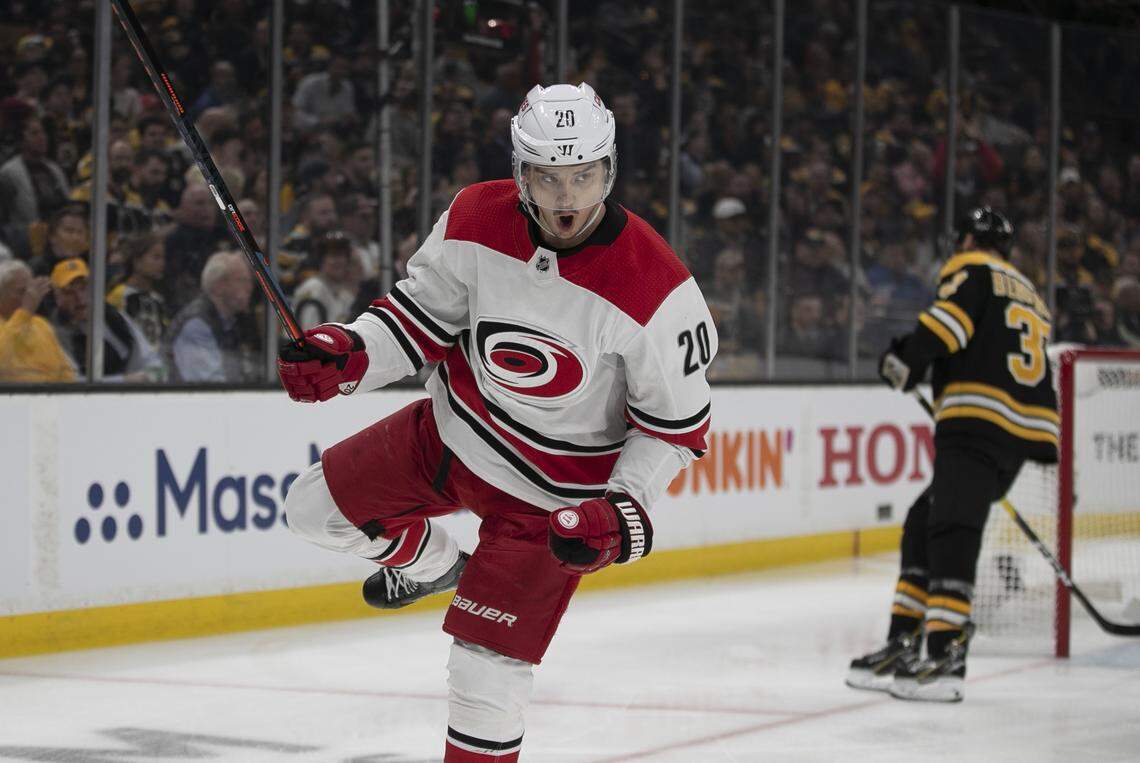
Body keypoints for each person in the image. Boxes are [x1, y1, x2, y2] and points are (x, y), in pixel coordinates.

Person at [277, 83, 717, 761]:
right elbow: (418, 320)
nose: (567, 196)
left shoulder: (659, 289)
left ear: (610, 168)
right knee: (311, 509)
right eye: (548, 176)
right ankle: (432, 566)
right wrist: (354, 353)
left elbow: (674, 429)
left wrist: (622, 509)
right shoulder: (475, 216)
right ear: (520, 173)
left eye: (584, 174)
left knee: (484, 671)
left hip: (551, 501)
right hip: (451, 436)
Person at [846, 207, 1058, 702]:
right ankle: (905, 640)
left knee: (950, 528)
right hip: (1022, 431)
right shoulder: (1029, 290)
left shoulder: (972, 269)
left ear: (966, 239)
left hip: (979, 421)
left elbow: (948, 328)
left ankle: (944, 654)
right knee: (925, 521)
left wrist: (905, 359)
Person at [166, 249, 260, 383]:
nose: (250, 288)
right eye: (242, 280)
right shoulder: (196, 325)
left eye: (250, 281)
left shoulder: (234, 321)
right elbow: (210, 385)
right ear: (219, 286)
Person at [0, 259, 75, 383]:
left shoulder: (41, 325)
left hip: (54, 398)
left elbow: (66, 371)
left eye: (31, 290)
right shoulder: (21, 319)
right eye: (22, 292)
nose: (30, 296)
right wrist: (24, 313)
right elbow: (3, 357)